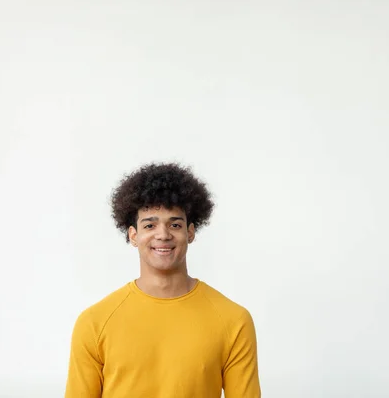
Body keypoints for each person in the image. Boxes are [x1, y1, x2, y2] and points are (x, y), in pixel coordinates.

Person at [64, 162, 261, 398]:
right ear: (133, 235)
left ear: (190, 232)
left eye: (175, 224)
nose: (163, 234)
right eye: (150, 224)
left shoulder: (234, 321)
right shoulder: (94, 324)